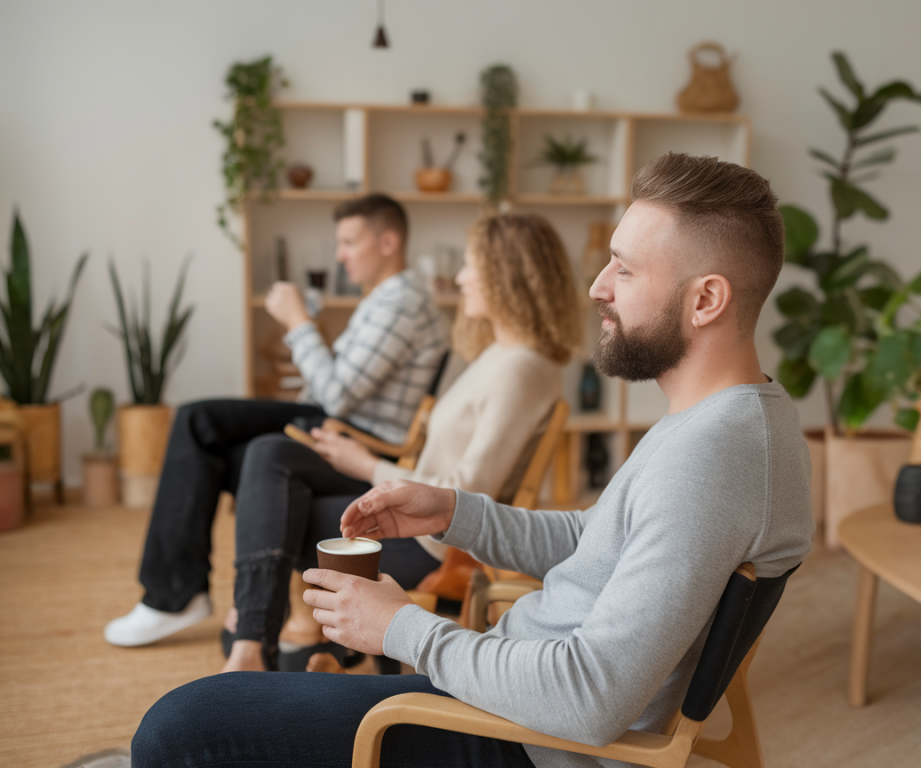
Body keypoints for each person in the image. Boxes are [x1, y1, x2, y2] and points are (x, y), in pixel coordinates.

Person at [132, 152, 815, 768]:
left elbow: (590, 699)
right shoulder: (719, 422)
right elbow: (596, 539)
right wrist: (455, 511)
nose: (597, 287)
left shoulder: (713, 457)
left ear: (706, 300)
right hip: (507, 690)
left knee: (177, 729)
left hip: (526, 739)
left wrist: (401, 628)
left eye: (625, 269)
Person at [221, 212, 581, 672]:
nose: (460, 278)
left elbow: (467, 493)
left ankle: (252, 641)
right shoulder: (501, 354)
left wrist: (366, 465)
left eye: (471, 266)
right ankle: (266, 638)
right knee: (270, 453)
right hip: (415, 511)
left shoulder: (521, 370)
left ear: (507, 275)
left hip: (427, 539)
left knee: (273, 510)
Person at [104, 194, 448, 648]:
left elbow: (338, 395)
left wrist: (297, 321)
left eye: (349, 242)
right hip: (330, 419)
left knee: (206, 430)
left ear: (388, 242)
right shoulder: (384, 298)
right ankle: (182, 593)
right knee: (201, 429)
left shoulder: (401, 301)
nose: (340, 255)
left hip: (351, 436)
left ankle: (178, 595)